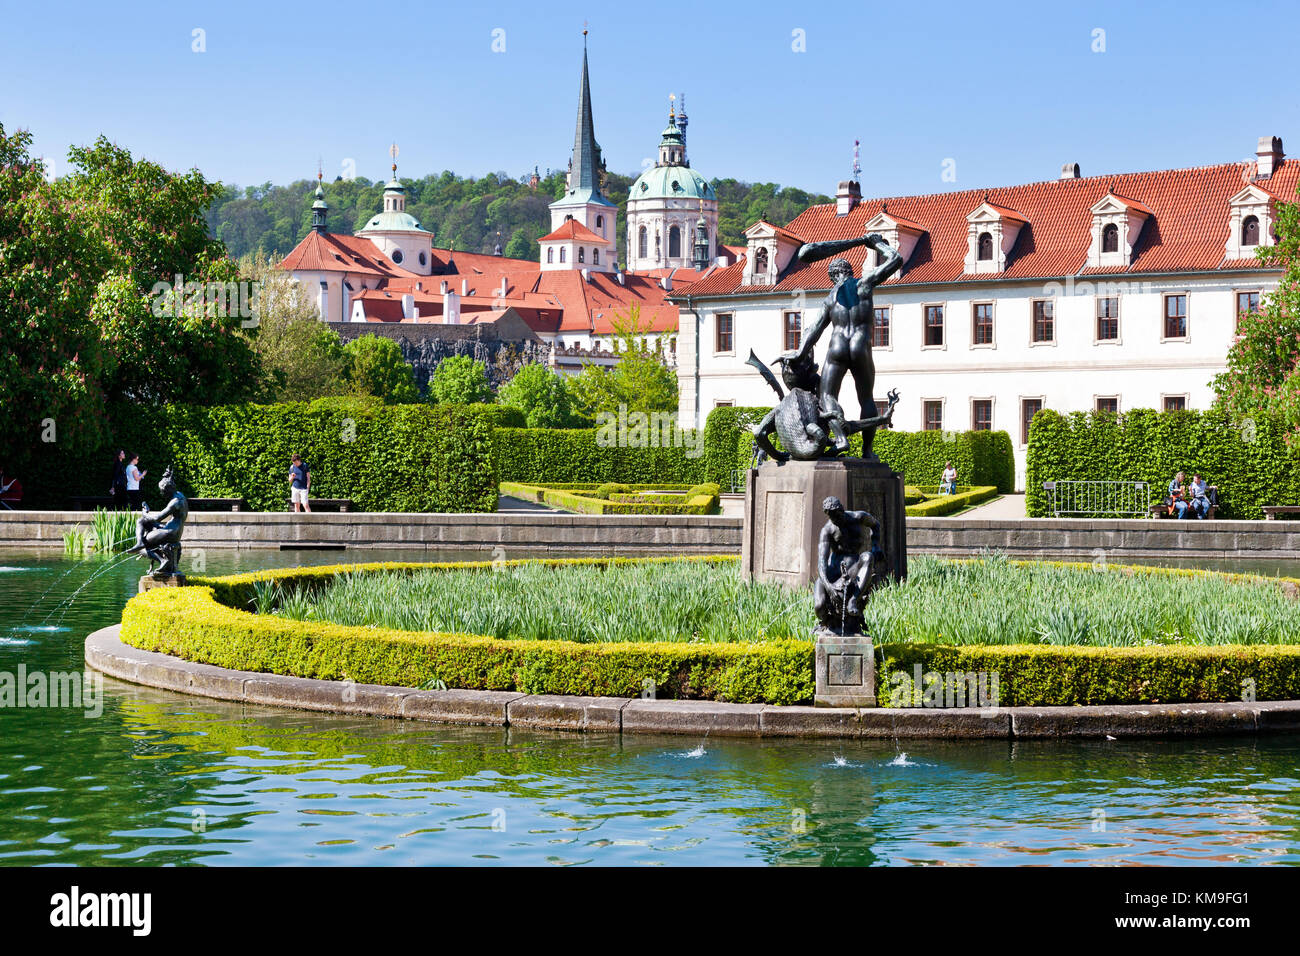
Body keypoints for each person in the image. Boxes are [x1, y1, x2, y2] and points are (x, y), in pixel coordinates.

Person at [791, 231, 905, 461]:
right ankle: (867, 451)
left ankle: (841, 438)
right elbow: (896, 260)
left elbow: (813, 331)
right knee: (867, 399)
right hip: (861, 346)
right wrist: (878, 244)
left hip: (837, 347)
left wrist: (799, 352)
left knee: (827, 396)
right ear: (850, 272)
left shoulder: (830, 298)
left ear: (833, 277)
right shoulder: (864, 284)